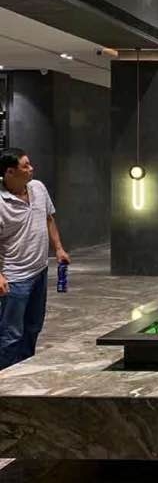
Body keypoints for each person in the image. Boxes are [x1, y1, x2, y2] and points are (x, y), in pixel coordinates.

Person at [0, 148, 70, 369]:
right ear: (10, 172)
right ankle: (6, 377)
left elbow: (48, 218)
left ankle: (24, 369)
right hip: (15, 277)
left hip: (40, 271)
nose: (31, 169)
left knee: (33, 327)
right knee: (11, 333)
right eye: (25, 166)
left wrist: (58, 249)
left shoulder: (38, 188)